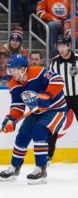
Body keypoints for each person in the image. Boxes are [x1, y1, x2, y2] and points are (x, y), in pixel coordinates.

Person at [0, 54, 67, 185]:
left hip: (55, 109)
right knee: (22, 136)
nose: (11, 72)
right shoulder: (13, 84)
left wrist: (47, 95)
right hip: (36, 112)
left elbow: (58, 80)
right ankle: (14, 168)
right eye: (10, 69)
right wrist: (11, 119)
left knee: (39, 131)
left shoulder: (37, 72)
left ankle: (41, 170)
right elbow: (18, 105)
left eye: (13, 69)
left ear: (23, 69)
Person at [47, 34, 78, 163]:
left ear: (70, 46)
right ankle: (48, 156)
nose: (62, 48)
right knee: (53, 127)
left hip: (77, 97)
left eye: (64, 45)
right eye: (59, 46)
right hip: (60, 99)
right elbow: (48, 81)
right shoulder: (53, 62)